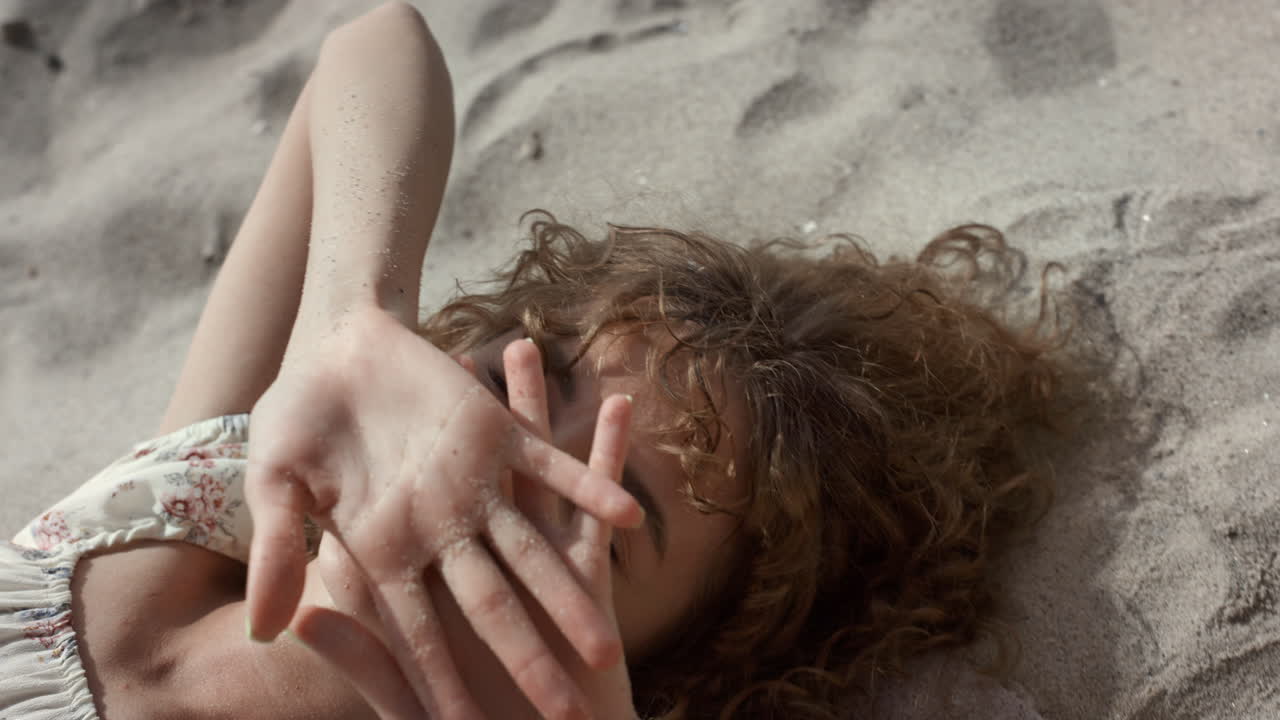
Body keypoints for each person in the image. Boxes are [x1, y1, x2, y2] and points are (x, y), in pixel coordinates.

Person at [0, 3, 1063, 719]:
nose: (486, 450)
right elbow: (374, 50)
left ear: (657, 666)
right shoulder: (205, 497)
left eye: (586, 505)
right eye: (540, 372)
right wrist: (350, 323)